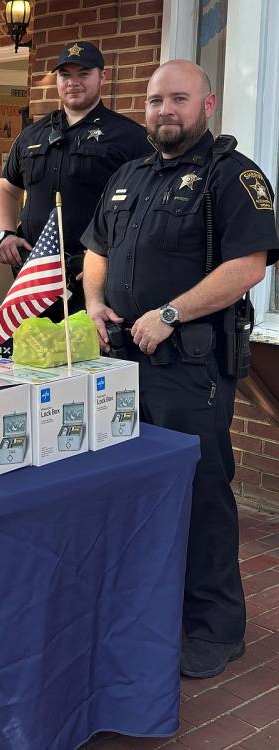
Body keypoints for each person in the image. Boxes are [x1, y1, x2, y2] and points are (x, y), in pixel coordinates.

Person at [82, 59, 279, 679]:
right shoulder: (130, 174)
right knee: (135, 491)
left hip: (191, 370)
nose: (164, 110)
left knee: (201, 495)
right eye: (154, 100)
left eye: (178, 99)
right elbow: (96, 248)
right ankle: (154, 606)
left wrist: (170, 313)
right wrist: (93, 302)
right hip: (122, 361)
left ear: (207, 105)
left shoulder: (233, 174)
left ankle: (217, 629)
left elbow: (248, 266)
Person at [0, 41, 152, 328]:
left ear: (102, 77)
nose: (73, 82)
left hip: (92, 282)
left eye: (84, 74)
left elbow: (147, 204)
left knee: (86, 353)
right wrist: (6, 233)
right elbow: (7, 188)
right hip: (35, 276)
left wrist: (112, 259)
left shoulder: (129, 137)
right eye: (65, 75)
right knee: (33, 351)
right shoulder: (32, 135)